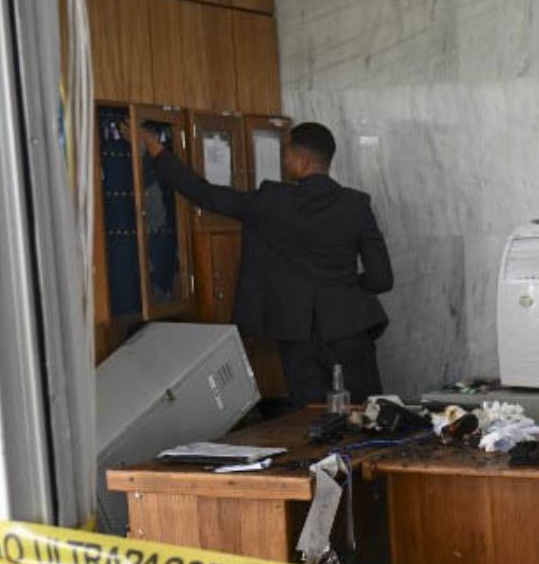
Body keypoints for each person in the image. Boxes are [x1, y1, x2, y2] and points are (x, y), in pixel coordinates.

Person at [141, 121, 393, 407]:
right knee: (369, 417)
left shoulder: (272, 202)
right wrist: (341, 288)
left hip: (297, 334)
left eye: (287, 154)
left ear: (303, 161)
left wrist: (157, 151)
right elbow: (382, 279)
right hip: (350, 327)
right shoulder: (356, 205)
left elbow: (207, 195)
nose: (284, 160)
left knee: (311, 422)